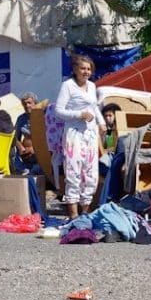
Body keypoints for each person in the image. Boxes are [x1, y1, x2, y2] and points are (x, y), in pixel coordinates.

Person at [55, 54, 105, 219]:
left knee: (90, 172)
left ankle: (86, 210)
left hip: (90, 134)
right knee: (74, 171)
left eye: (89, 69)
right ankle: (73, 213)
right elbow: (58, 111)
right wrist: (79, 114)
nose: (86, 72)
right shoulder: (68, 86)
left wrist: (102, 122)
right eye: (83, 68)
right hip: (74, 134)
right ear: (75, 69)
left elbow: (94, 107)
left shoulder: (92, 86)